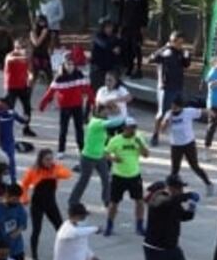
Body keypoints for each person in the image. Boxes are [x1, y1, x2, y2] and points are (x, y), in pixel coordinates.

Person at [131, 174, 198, 260]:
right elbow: (167, 202)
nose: (181, 190)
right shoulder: (159, 197)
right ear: (171, 188)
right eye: (179, 188)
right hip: (155, 247)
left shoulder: (175, 201)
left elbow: (185, 216)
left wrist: (192, 206)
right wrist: (187, 196)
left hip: (172, 246)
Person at [69, 75, 128, 208]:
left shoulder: (102, 121)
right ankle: (73, 201)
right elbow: (118, 121)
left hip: (99, 156)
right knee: (83, 181)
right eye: (107, 110)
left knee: (106, 179)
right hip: (88, 158)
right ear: (101, 111)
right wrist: (121, 114)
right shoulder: (97, 123)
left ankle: (107, 201)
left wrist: (112, 158)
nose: (109, 112)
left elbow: (102, 145)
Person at [20, 148, 72, 260]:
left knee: (60, 227)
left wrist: (56, 170)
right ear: (41, 160)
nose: (49, 162)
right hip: (37, 204)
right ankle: (34, 255)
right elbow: (24, 185)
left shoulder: (55, 168)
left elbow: (68, 174)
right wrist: (24, 198)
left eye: (51, 159)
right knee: (37, 230)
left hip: (51, 203)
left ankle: (64, 251)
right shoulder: (33, 171)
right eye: (47, 159)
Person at [39, 55, 93, 158]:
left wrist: (93, 101)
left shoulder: (79, 75)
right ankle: (61, 149)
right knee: (63, 129)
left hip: (77, 106)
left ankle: (81, 148)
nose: (70, 66)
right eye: (68, 64)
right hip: (65, 107)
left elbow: (88, 90)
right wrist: (43, 104)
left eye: (72, 64)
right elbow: (50, 92)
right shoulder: (59, 78)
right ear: (64, 65)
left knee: (79, 129)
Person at [104, 117, 149, 236]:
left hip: (134, 175)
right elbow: (105, 153)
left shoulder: (138, 138)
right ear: (124, 128)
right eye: (130, 127)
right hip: (118, 176)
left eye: (134, 127)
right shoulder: (115, 140)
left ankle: (139, 226)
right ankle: (109, 225)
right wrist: (113, 158)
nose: (133, 130)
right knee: (114, 203)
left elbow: (146, 155)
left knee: (139, 201)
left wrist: (140, 143)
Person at [159, 97, 214, 193]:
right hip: (175, 145)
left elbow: (202, 111)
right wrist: (166, 122)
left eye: (176, 108)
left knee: (195, 166)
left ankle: (208, 183)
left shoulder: (188, 112)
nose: (174, 109)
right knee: (174, 170)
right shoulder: (168, 114)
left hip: (189, 144)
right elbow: (162, 130)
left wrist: (211, 112)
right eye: (173, 107)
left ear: (181, 107)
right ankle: (173, 189)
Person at [148, 32, 191, 146]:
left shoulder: (181, 53)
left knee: (178, 111)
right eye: (177, 42)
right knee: (162, 112)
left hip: (178, 86)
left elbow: (186, 64)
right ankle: (155, 135)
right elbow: (151, 59)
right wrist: (163, 48)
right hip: (165, 87)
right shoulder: (165, 53)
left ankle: (177, 134)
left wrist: (187, 55)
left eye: (182, 42)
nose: (180, 45)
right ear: (172, 41)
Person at [112, 0, 149, 77]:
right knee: (126, 48)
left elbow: (145, 12)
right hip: (125, 27)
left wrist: (144, 27)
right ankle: (129, 67)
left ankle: (139, 69)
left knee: (136, 48)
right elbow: (120, 9)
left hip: (137, 28)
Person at [3, 38, 36, 137]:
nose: (21, 49)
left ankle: (26, 128)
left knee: (27, 108)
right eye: (18, 47)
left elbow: (29, 70)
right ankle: (7, 129)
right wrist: (23, 57)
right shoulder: (10, 56)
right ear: (14, 47)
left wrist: (30, 76)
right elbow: (11, 59)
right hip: (11, 86)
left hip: (23, 86)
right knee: (9, 109)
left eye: (23, 47)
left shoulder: (26, 58)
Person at [90, 19, 122, 91]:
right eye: (107, 27)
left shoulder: (113, 37)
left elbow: (119, 48)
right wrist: (112, 48)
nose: (109, 29)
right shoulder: (96, 35)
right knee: (98, 88)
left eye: (111, 27)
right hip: (97, 68)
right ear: (103, 28)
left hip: (109, 67)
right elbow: (104, 44)